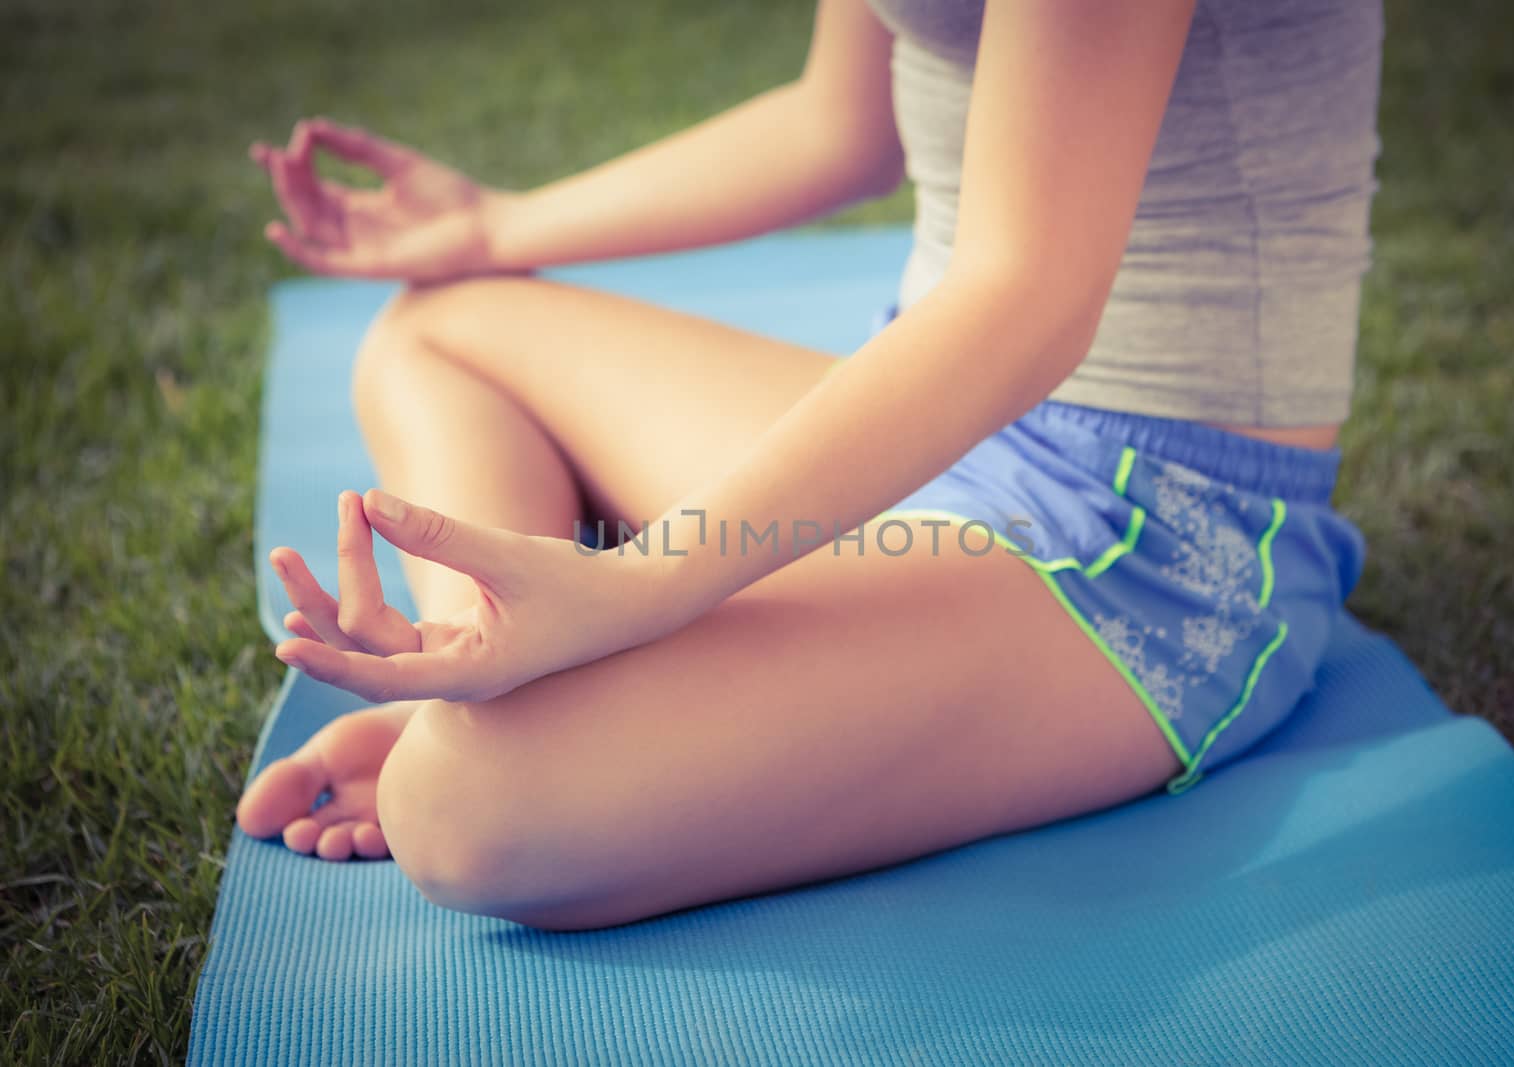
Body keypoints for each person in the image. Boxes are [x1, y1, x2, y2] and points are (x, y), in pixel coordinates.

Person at [236, 0, 1380, 931]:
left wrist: (643, 586)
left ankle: (501, 717)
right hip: (929, 407)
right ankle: (480, 661)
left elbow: (1026, 296)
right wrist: (500, 226)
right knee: (436, 330)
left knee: (462, 807)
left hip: (1144, 529)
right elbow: (840, 124)